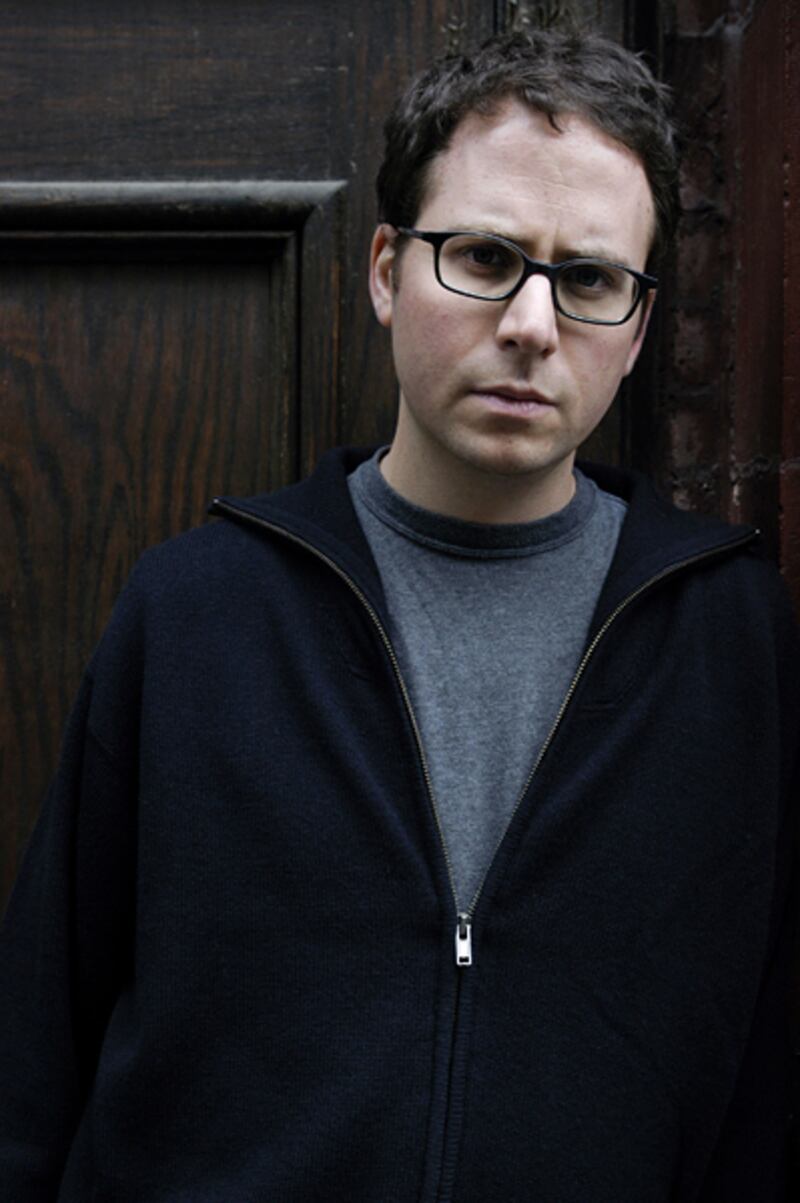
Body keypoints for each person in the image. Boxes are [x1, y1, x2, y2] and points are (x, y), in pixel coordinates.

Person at [1, 28, 797, 1203]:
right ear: (385, 270)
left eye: (586, 280)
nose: (529, 324)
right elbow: (37, 1051)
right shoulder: (194, 611)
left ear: (635, 330)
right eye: (482, 257)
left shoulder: (728, 638)